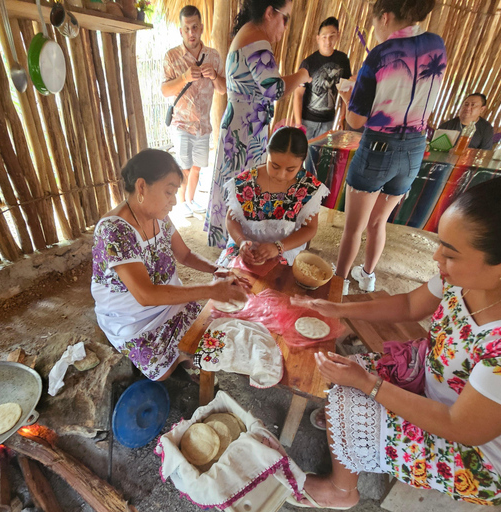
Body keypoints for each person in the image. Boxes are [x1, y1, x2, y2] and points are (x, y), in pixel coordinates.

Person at [290, 154, 501, 509]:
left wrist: (368, 385)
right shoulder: (480, 269)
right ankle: (357, 439)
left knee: (348, 394)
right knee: (347, 371)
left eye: (449, 254)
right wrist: (339, 308)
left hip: (480, 454)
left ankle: (340, 491)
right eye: (441, 244)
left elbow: (461, 426)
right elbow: (409, 306)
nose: (437, 259)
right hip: (441, 382)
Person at [91, 150, 248, 381]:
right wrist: (212, 290)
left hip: (170, 303)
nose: (174, 200)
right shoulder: (114, 230)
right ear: (142, 186)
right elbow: (146, 295)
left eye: (175, 192)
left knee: (210, 331)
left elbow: (184, 255)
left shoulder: (159, 216)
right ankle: (180, 364)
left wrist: (215, 269)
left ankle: (185, 360)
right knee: (162, 370)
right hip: (133, 319)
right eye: (168, 191)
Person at [334, 0, 447, 294]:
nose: (374, 29)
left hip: (378, 148)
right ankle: (368, 277)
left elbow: (356, 120)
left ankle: (340, 283)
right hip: (413, 149)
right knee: (378, 222)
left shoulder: (380, 55)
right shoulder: (437, 45)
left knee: (353, 228)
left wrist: (348, 95)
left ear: (384, 17)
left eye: (374, 23)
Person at [204, 0, 312, 248]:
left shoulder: (247, 35)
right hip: (245, 131)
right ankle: (239, 243)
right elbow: (274, 88)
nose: (285, 27)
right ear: (269, 13)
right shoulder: (256, 40)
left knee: (236, 181)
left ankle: (234, 241)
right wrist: (302, 75)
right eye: (285, 18)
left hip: (241, 126)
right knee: (244, 183)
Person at [217, 127, 329, 267]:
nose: (281, 175)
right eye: (274, 166)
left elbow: (310, 229)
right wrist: (241, 241)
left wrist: (278, 247)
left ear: (302, 161)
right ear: (267, 154)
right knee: (229, 279)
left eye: (290, 169)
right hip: (246, 245)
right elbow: (231, 218)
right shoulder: (245, 182)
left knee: (278, 282)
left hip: (285, 247)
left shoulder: (308, 187)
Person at [162, 5, 226, 218]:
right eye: (187, 28)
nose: (191, 32)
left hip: (203, 125)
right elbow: (164, 90)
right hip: (181, 123)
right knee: (184, 168)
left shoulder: (214, 56)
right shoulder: (171, 57)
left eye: (195, 27)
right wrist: (184, 78)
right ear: (181, 31)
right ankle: (181, 204)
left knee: (198, 167)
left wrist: (215, 75)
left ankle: (191, 200)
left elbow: (223, 89)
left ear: (201, 28)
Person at [292, 17, 352, 141]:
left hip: (328, 121)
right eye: (324, 37)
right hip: (307, 121)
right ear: (317, 38)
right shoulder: (308, 63)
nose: (328, 41)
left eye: (332, 36)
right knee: (304, 156)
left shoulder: (343, 60)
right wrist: (299, 124)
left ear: (338, 36)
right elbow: (298, 94)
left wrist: (342, 117)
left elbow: (345, 89)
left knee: (320, 157)